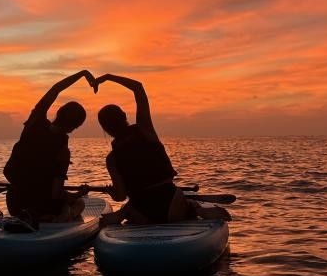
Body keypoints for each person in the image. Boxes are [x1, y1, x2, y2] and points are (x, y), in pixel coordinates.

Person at [94, 73, 231, 225]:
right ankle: (194, 208)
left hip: (143, 212)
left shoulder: (111, 159)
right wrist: (108, 77)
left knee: (129, 208)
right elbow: (138, 88)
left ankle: (123, 214)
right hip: (170, 204)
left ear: (105, 129)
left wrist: (112, 193)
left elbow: (120, 196)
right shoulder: (145, 130)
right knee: (184, 202)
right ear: (124, 116)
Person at [3, 69, 95, 225]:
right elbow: (57, 194)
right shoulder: (62, 149)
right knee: (80, 204)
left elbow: (55, 89)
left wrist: (82, 74)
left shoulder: (34, 122)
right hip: (43, 205)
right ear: (75, 127)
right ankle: (58, 217)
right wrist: (79, 193)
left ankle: (38, 215)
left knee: (42, 201)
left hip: (15, 203)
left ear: (59, 113)